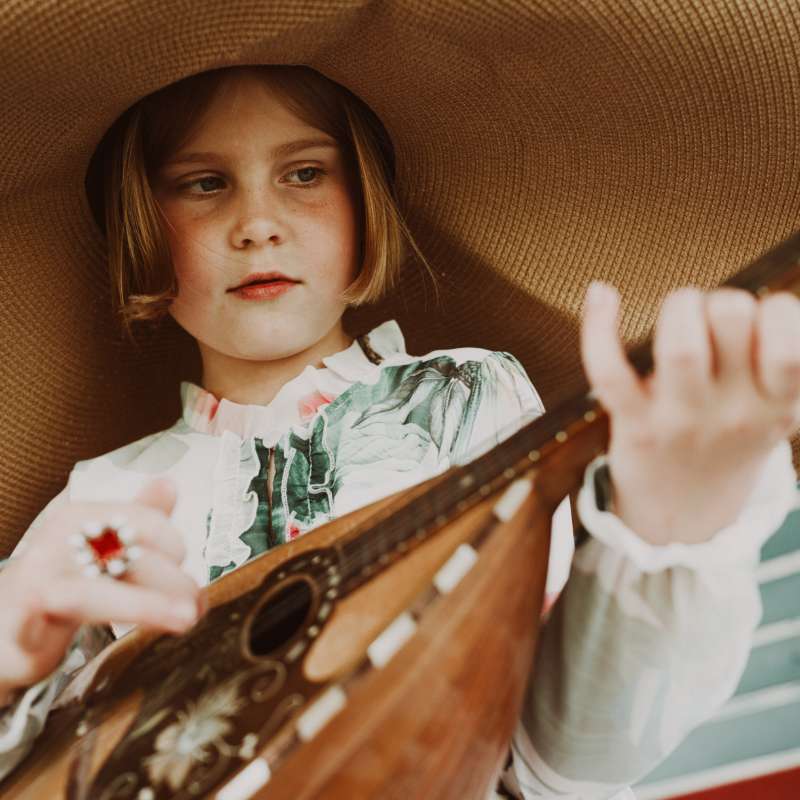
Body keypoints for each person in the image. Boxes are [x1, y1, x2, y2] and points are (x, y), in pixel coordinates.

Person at [0, 62, 798, 799]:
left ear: (363, 204)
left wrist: (669, 534)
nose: (257, 224)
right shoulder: (103, 499)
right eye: (203, 184)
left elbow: (560, 761)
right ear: (141, 228)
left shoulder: (468, 394)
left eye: (305, 173)